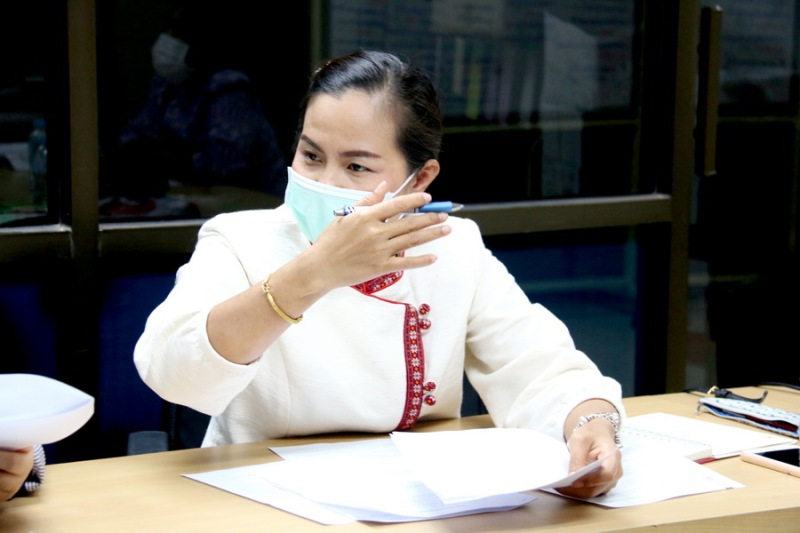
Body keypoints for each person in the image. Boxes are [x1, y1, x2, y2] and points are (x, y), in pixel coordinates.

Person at [134, 49, 624, 499]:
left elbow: (539, 368)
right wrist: (310, 275)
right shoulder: (240, 240)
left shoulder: (452, 246)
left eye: (357, 167)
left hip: (423, 498)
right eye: (311, 156)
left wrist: (591, 423)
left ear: (420, 179)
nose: (325, 181)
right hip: (263, 497)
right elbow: (175, 376)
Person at [102, 0, 286, 215]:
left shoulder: (230, 89)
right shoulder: (166, 84)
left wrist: (169, 156)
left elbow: (220, 167)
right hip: (186, 196)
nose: (168, 39)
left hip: (249, 207)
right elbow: (134, 139)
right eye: (168, 29)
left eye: (178, 31)